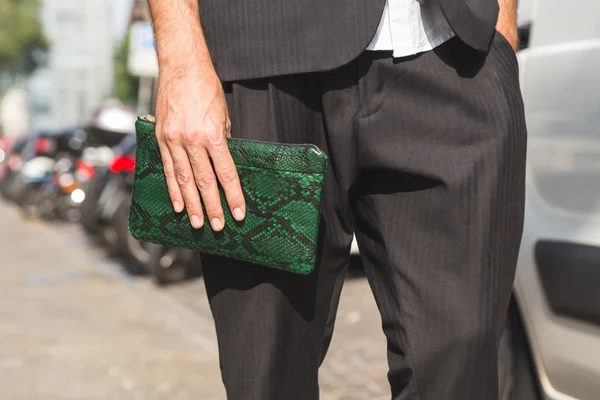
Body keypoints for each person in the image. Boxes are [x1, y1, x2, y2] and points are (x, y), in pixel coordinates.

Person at [147, 0, 526, 398]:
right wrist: (182, 59)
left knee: (461, 366)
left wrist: (501, 30)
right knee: (266, 376)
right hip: (261, 58)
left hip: (454, 51)